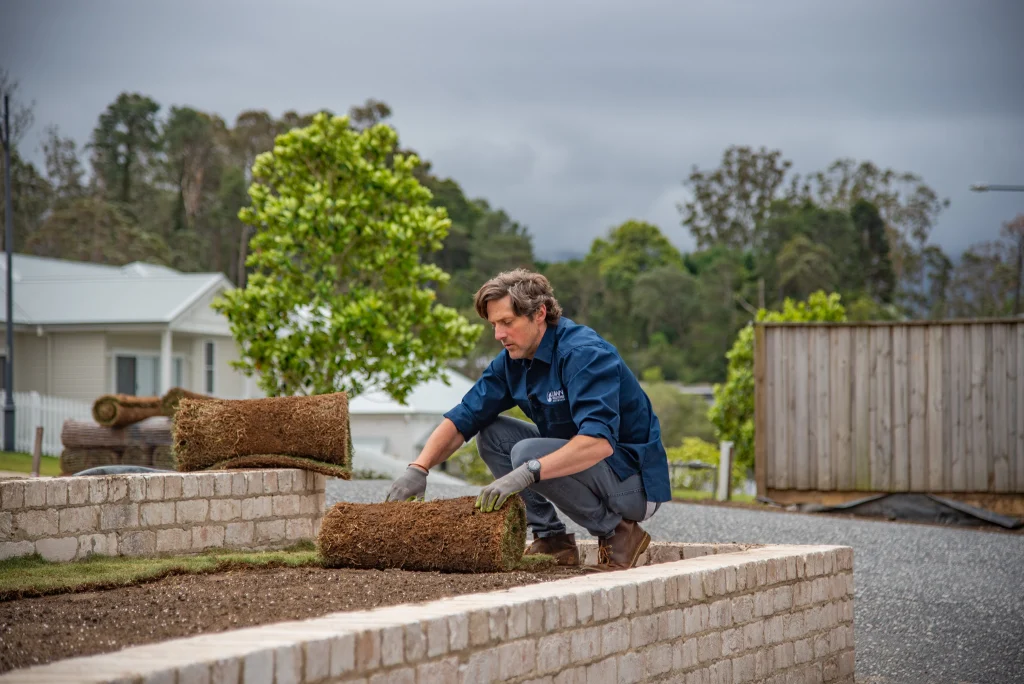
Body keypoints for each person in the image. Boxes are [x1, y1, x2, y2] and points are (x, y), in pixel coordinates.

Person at [385, 269, 670, 571]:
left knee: (526, 453)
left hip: (633, 484)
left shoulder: (584, 354)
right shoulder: (512, 360)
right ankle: (553, 540)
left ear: (539, 314)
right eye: (494, 324)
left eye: (507, 322)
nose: (499, 335)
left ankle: (619, 533)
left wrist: (528, 471)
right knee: (491, 433)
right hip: (589, 469)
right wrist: (419, 468)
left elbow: (598, 444)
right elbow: (465, 416)